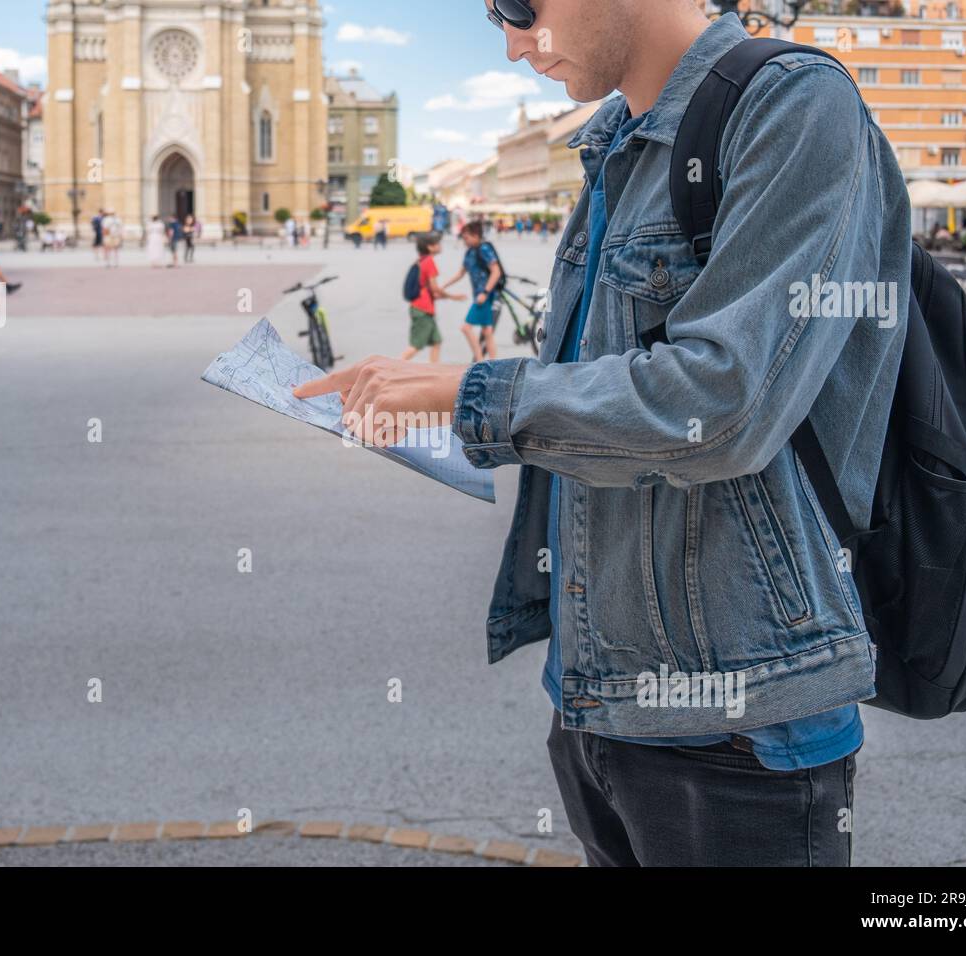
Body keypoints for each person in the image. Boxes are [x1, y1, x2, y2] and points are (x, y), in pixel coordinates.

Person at [296, 0, 911, 867]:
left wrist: (471, 392)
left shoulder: (796, 104)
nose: (512, 44)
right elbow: (610, 386)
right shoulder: (616, 141)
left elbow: (724, 404)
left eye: (516, 7)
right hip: (596, 700)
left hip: (738, 724)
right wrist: (431, 400)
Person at [444, 221, 504, 361]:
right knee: (487, 331)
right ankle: (493, 362)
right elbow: (460, 273)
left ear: (476, 236)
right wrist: (444, 286)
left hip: (485, 296)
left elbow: (496, 272)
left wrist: (485, 292)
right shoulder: (469, 252)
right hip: (480, 295)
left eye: (467, 238)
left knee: (466, 327)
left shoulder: (484, 249)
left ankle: (479, 360)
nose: (464, 241)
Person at [400, 234, 464, 363]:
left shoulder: (421, 260)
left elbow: (428, 289)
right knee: (416, 346)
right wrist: (453, 297)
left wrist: (440, 296)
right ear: (430, 247)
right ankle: (393, 368)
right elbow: (434, 288)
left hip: (423, 308)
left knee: (436, 342)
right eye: (437, 243)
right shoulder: (429, 262)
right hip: (422, 310)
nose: (440, 246)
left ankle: (434, 370)